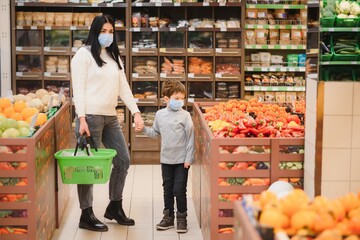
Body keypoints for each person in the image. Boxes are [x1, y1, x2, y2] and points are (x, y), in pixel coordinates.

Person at [71, 15, 144, 232]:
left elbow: (124, 87)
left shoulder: (113, 57)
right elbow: (79, 90)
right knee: (87, 167)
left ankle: (114, 206)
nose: (108, 35)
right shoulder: (82, 56)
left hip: (110, 117)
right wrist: (81, 118)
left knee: (122, 160)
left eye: (111, 31)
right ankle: (86, 214)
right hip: (90, 117)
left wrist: (136, 112)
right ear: (95, 32)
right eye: (104, 31)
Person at [139, 80, 194, 233]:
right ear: (166, 99)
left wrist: (189, 158)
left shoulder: (185, 116)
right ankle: (168, 217)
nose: (180, 101)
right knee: (167, 189)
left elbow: (190, 138)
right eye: (176, 98)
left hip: (182, 161)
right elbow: (155, 133)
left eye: (182, 98)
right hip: (166, 160)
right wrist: (143, 129)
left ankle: (182, 218)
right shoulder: (160, 115)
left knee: (179, 190)